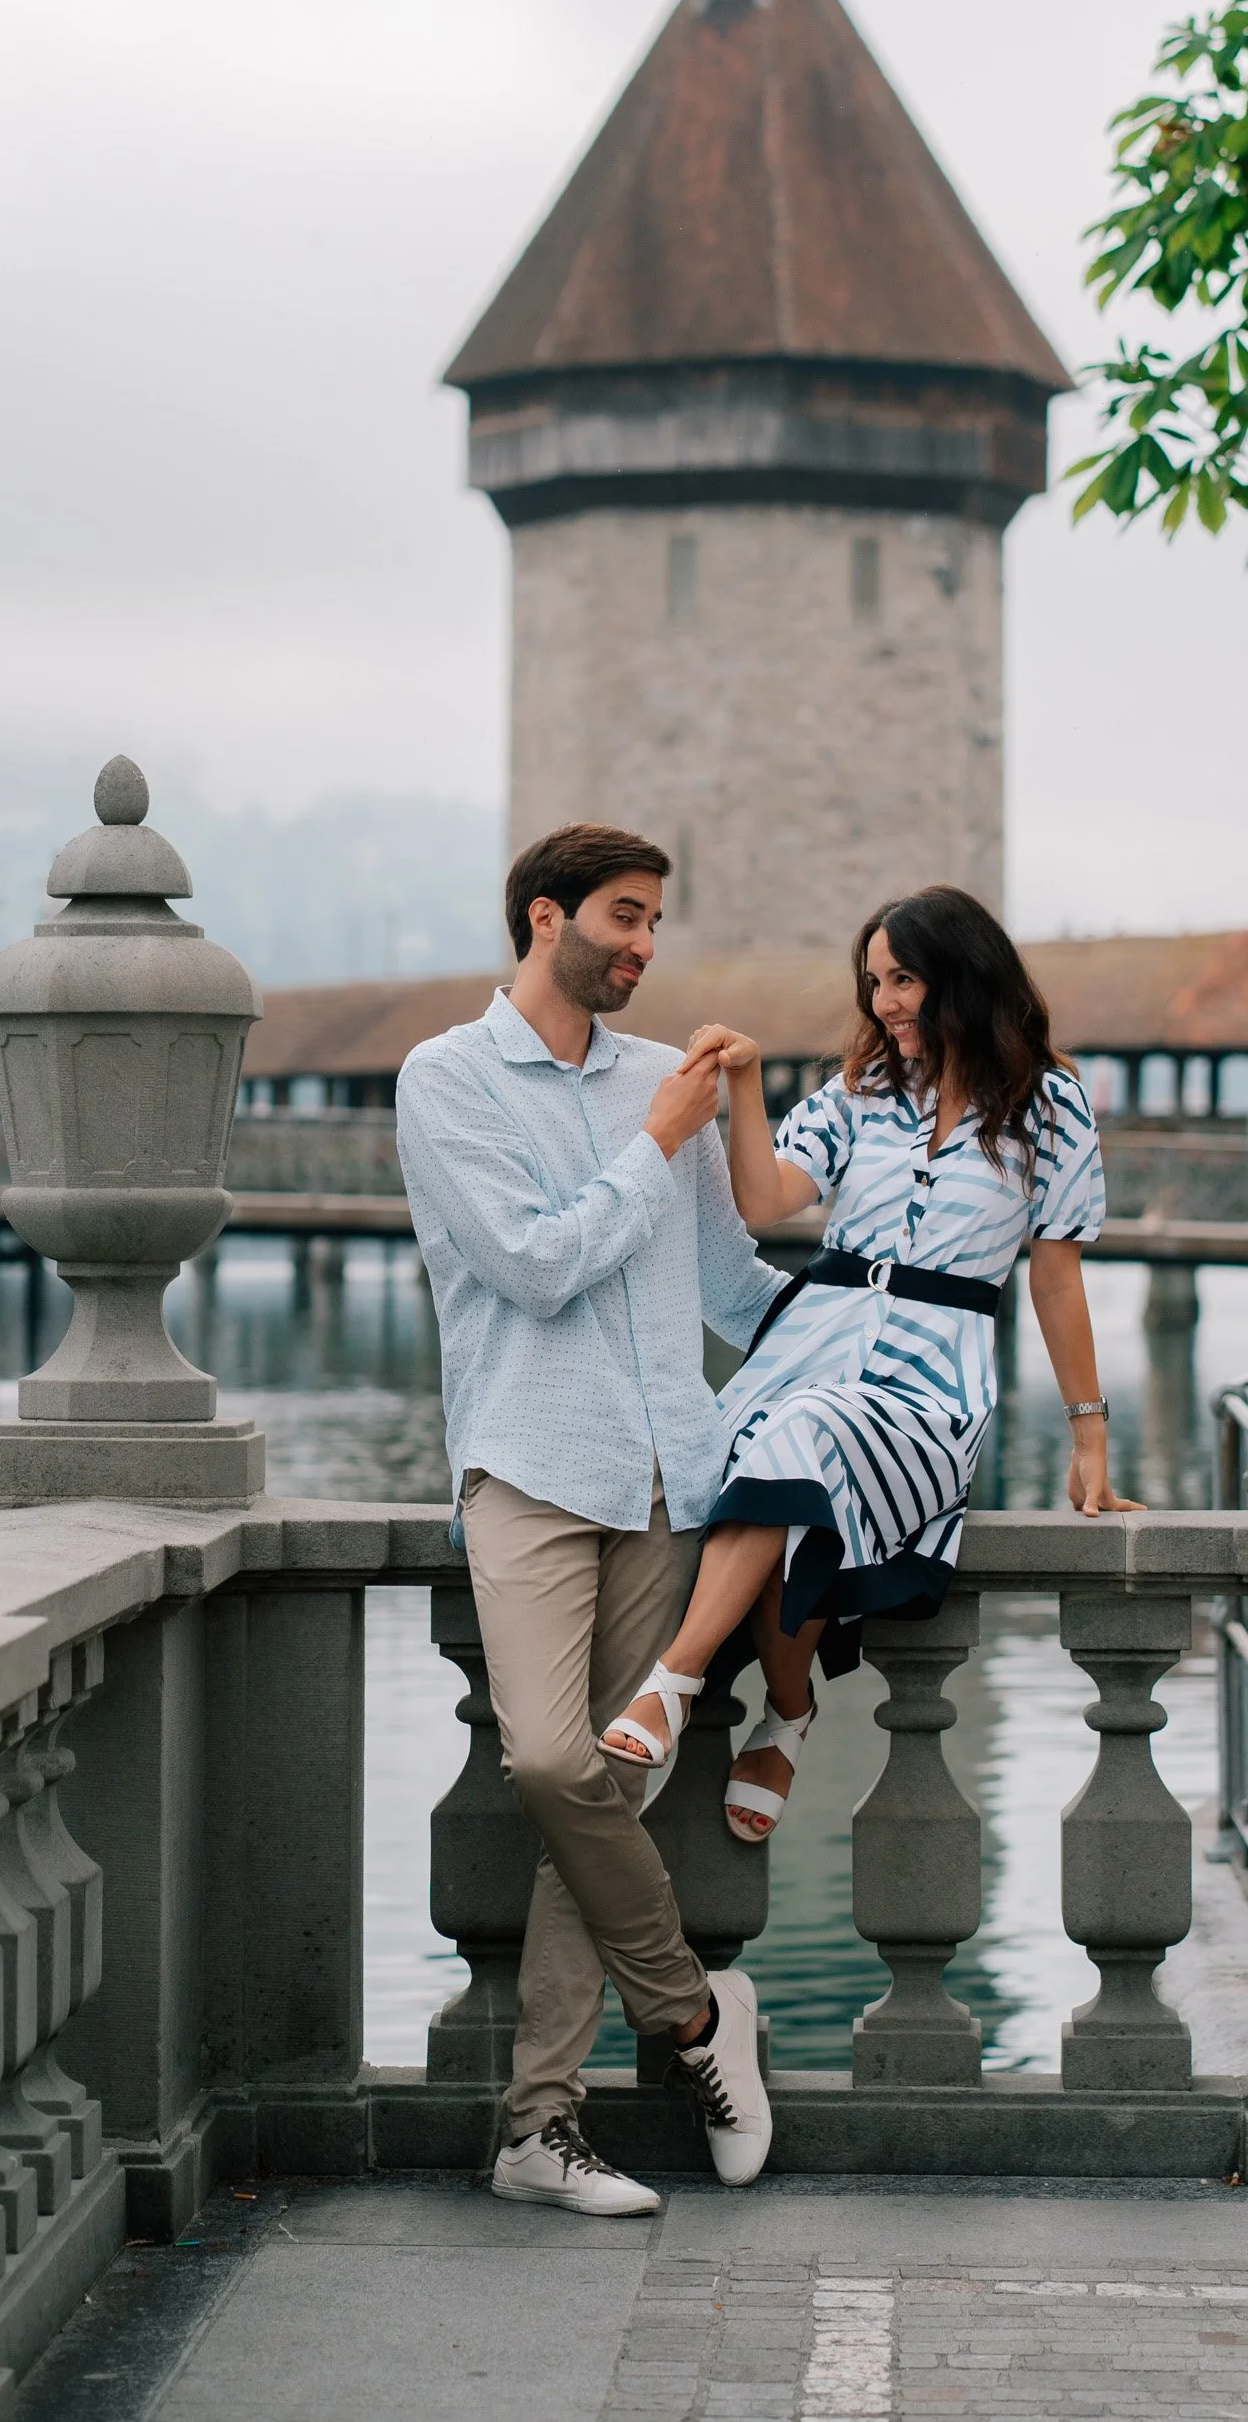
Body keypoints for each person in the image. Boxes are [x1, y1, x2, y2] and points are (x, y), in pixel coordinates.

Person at [396, 824, 784, 2217]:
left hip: (672, 1476)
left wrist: (899, 1347)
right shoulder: (445, 1082)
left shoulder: (657, 1079)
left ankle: (537, 2128)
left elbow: (730, 1290)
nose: (645, 945)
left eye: (657, 923)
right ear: (545, 916)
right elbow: (535, 1265)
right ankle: (694, 2020)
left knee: (608, 1792)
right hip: (529, 1466)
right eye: (626, 916)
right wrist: (658, 1143)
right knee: (555, 1760)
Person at [600, 885, 1139, 1842]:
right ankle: (791, 1711)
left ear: (963, 979)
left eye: (904, 979)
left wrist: (1089, 1434)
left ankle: (674, 1679)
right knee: (775, 1452)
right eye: (876, 982)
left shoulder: (1052, 1104)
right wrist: (745, 1083)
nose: (886, 1002)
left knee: (802, 1440)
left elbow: (1056, 1280)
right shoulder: (864, 1091)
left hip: (932, 1383)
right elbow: (766, 1200)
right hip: (810, 1344)